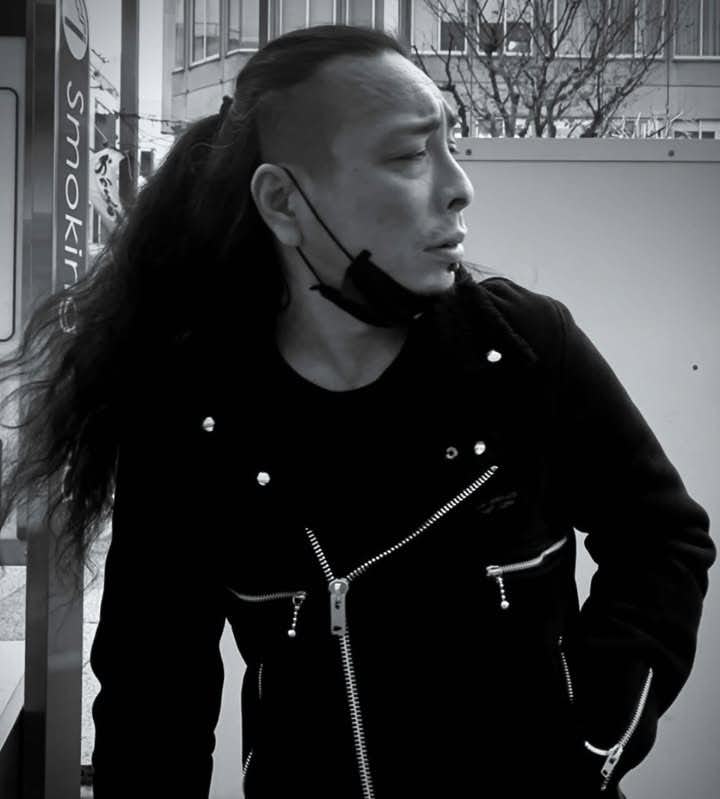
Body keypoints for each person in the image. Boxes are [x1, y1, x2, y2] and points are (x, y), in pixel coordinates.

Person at [0, 24, 713, 799]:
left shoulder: (524, 351)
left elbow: (661, 539)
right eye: (409, 155)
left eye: (450, 145)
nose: (459, 186)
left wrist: (585, 741)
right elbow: (153, 695)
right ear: (284, 202)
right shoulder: (193, 416)